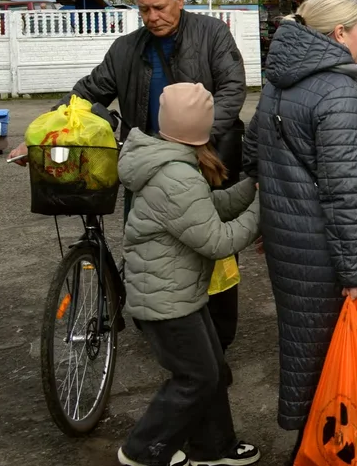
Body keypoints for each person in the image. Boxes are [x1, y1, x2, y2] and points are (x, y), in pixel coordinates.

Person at [9, 0, 247, 352]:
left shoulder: (211, 34)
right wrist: (38, 136)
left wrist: (199, 139)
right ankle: (157, 319)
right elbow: (84, 96)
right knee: (148, 244)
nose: (152, 16)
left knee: (210, 246)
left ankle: (217, 334)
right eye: (144, 10)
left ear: (180, 0)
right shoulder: (125, 49)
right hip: (148, 163)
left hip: (202, 157)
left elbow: (233, 89)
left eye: (159, 7)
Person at [241, 0, 357, 460]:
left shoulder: (279, 83)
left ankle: (313, 444)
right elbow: (346, 192)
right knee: (341, 360)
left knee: (306, 353)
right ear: (339, 33)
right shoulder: (338, 91)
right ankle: (338, 450)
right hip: (330, 252)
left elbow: (253, 155)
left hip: (291, 243)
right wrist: (355, 273)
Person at [117, 83, 260, 466]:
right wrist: (262, 210)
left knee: (211, 371)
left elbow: (207, 206)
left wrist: (250, 190)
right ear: (202, 128)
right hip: (166, 301)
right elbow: (217, 239)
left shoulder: (171, 161)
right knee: (197, 378)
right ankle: (142, 450)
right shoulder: (176, 176)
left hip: (177, 292)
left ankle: (213, 447)